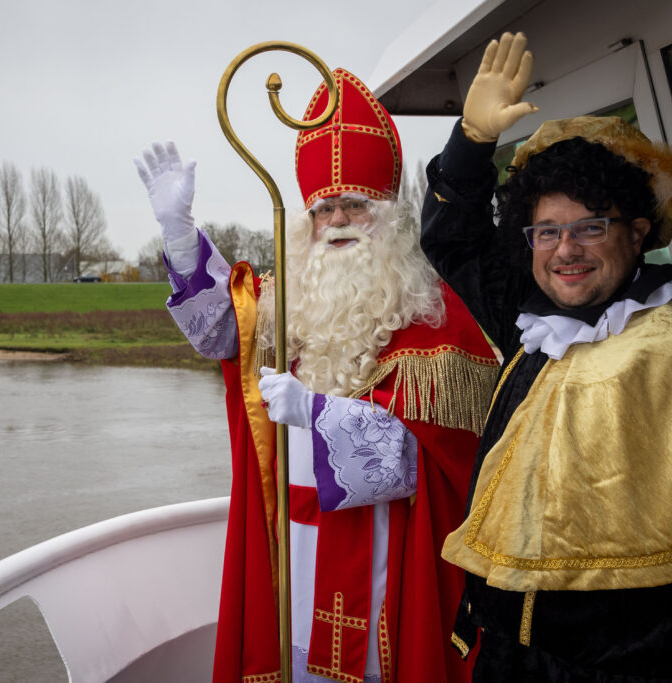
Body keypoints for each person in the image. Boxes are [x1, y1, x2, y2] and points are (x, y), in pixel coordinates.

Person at [421, 32, 672, 682]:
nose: (565, 249)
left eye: (590, 227)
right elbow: (454, 240)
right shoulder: (536, 322)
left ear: (637, 236)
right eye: (547, 230)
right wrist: (469, 141)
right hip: (507, 661)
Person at [136, 69, 499, 683]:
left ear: (389, 216)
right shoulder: (294, 301)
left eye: (355, 204)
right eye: (323, 208)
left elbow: (441, 464)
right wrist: (179, 238)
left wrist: (319, 415)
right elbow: (225, 333)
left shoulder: (435, 317)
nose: (337, 221)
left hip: (388, 566)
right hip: (295, 555)